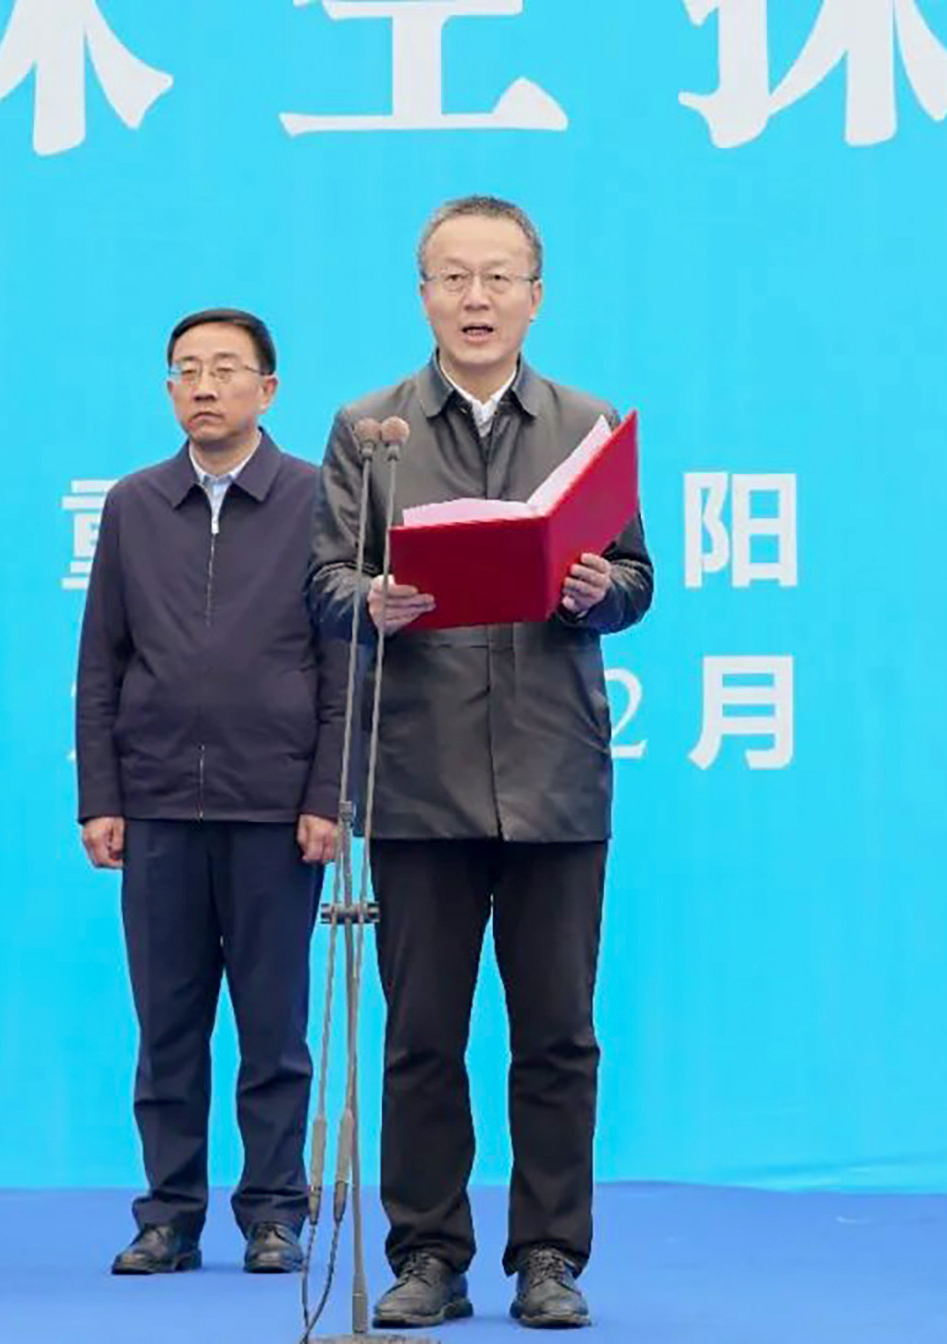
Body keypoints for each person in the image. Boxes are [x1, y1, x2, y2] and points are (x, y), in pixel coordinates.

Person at [308, 196, 653, 1330]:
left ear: (535, 295)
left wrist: (606, 593)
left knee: (557, 1037)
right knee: (421, 1039)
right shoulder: (371, 429)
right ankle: (427, 1256)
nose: (475, 298)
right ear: (422, 295)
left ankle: (549, 1256)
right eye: (452, 277)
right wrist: (374, 599)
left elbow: (639, 580)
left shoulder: (591, 424)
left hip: (556, 780)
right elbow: (321, 583)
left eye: (497, 277)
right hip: (419, 778)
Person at [76, 308, 346, 1277]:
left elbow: (340, 663)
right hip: (154, 805)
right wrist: (100, 795)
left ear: (267, 390)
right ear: (167, 390)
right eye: (185, 369)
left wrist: (328, 794)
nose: (204, 386)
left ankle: (275, 1212)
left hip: (275, 808)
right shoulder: (135, 504)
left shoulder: (319, 500)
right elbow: (102, 659)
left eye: (225, 370)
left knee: (273, 1031)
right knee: (168, 1029)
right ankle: (167, 1216)